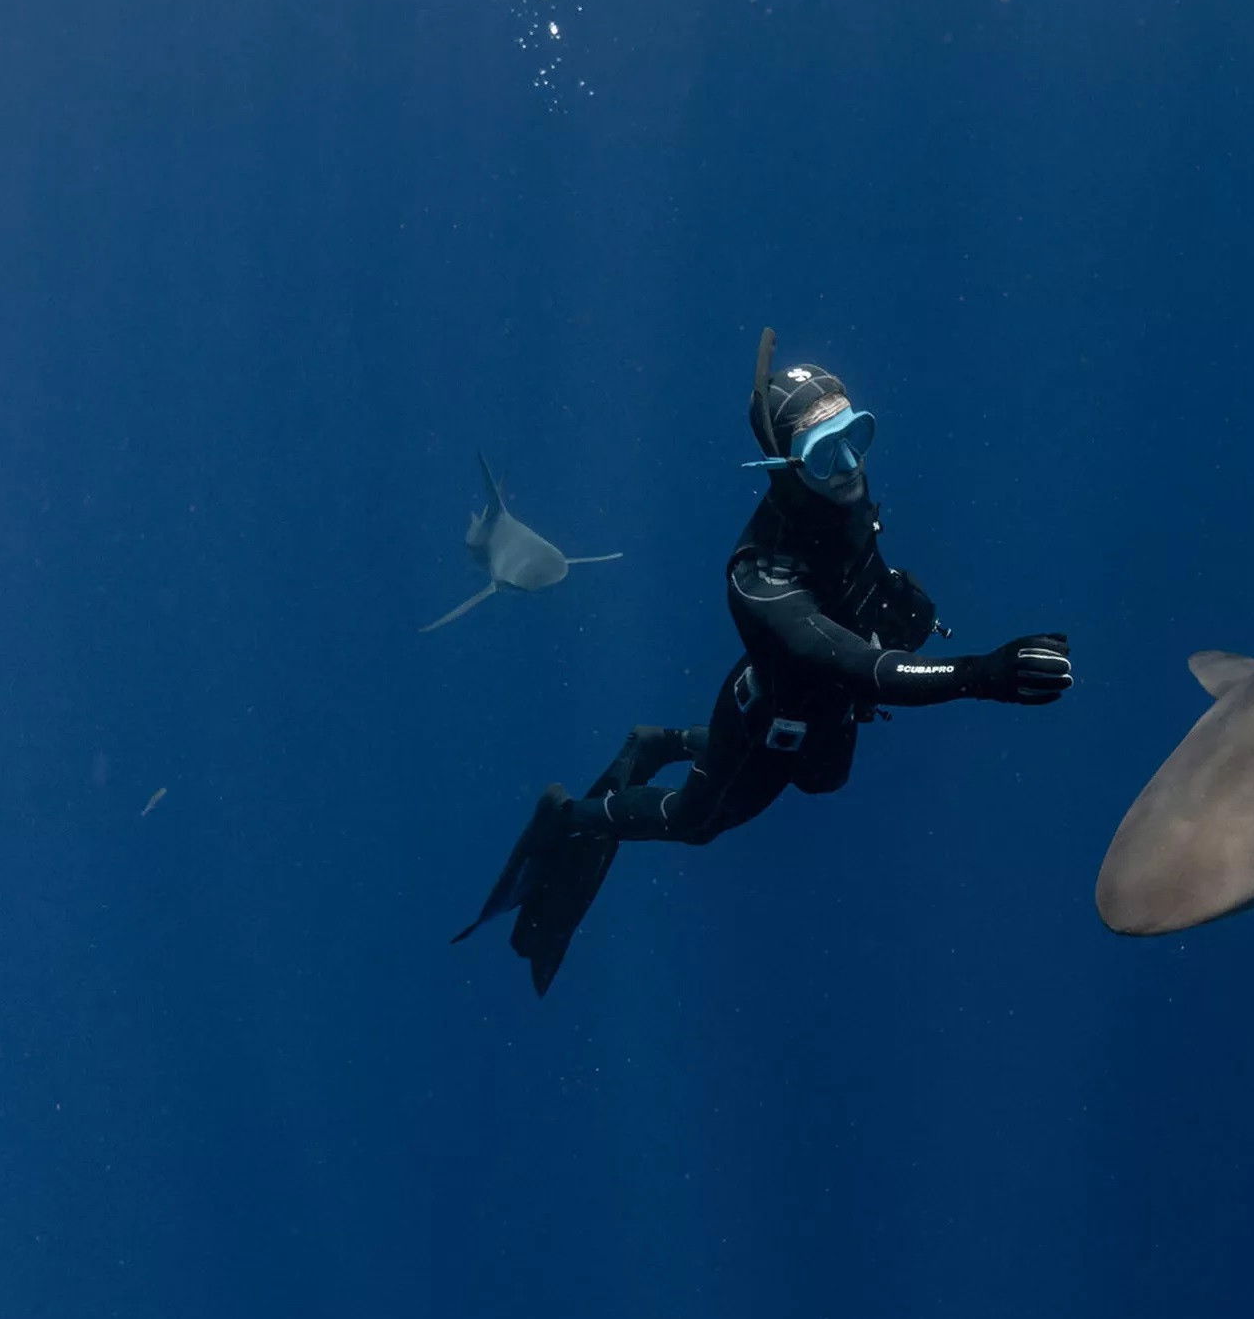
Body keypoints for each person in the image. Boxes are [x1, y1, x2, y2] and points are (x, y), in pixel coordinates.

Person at [453, 329, 1075, 994]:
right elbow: (854, 665)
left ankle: (666, 741)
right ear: (784, 465)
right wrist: (981, 674)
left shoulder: (844, 499)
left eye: (854, 437)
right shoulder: (761, 576)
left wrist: (904, 603)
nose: (847, 468)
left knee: (822, 780)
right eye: (821, 452)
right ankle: (571, 817)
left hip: (827, 708)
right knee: (696, 822)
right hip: (770, 714)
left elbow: (867, 580)